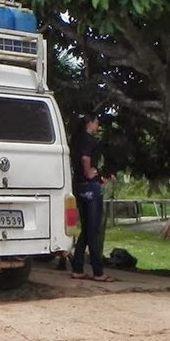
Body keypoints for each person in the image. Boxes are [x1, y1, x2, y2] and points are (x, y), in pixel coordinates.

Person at [69, 113, 114, 282]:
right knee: (94, 230)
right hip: (90, 187)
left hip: (79, 186)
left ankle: (78, 267)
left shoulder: (76, 139)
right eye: (97, 123)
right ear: (90, 123)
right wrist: (90, 173)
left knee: (86, 229)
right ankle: (98, 271)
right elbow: (85, 158)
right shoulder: (88, 140)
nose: (98, 126)